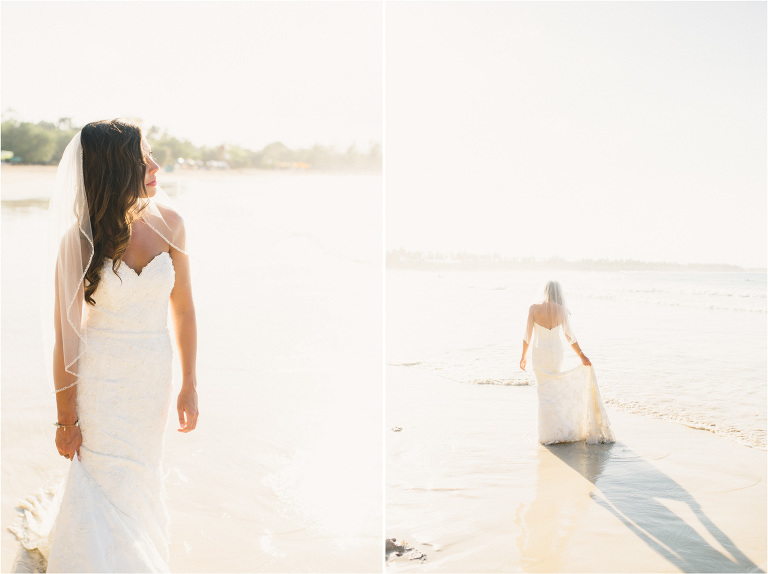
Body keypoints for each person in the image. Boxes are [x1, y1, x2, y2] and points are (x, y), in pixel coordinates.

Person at [42, 119, 198, 572]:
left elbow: (184, 310)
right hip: (100, 382)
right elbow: (66, 335)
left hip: (151, 377)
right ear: (115, 168)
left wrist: (189, 383)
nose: (156, 166)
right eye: (143, 159)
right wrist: (65, 418)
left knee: (141, 476)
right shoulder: (78, 241)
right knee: (100, 477)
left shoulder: (172, 224)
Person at [520, 280, 614, 445]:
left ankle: (547, 434)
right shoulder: (562, 310)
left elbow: (527, 336)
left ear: (545, 291)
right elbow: (570, 336)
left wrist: (523, 356)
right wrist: (582, 356)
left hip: (539, 353)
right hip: (556, 353)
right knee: (554, 391)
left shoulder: (533, 308)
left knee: (544, 392)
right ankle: (557, 429)